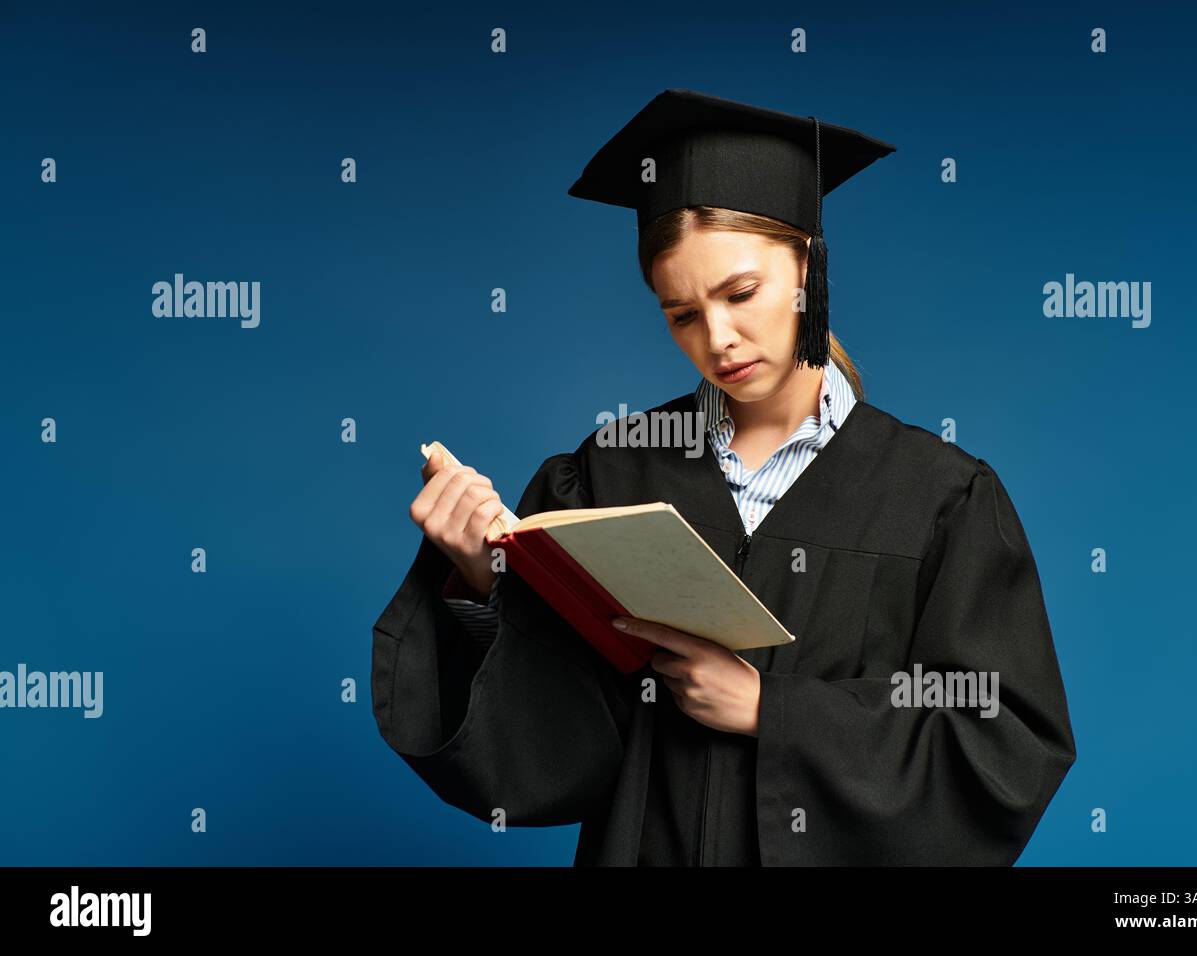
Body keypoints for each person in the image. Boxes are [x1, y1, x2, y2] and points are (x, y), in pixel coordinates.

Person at [371, 89, 1076, 865]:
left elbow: (1003, 745)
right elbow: (557, 748)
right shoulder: (613, 470)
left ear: (806, 264)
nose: (719, 339)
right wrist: (483, 577)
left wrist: (774, 711)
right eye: (681, 314)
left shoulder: (939, 498)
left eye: (741, 294)